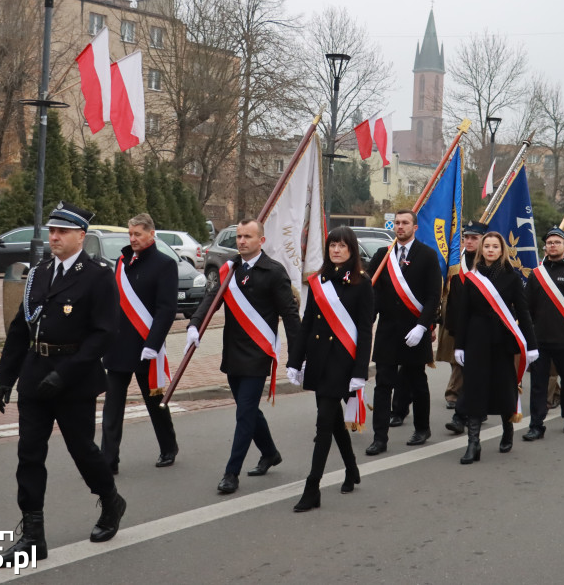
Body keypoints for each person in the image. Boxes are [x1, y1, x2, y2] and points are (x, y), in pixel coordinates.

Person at [0, 202, 125, 564]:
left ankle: (110, 500)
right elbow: (21, 327)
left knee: (82, 450)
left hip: (74, 379)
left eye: (62, 232)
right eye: (51, 231)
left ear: (80, 236)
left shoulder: (98, 275)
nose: (54, 237)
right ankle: (33, 536)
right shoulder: (38, 274)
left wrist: (65, 373)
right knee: (29, 455)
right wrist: (6, 378)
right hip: (35, 375)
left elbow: (104, 333)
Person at [187, 219, 301, 494]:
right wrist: (194, 324)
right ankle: (270, 452)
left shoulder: (273, 272)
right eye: (238, 236)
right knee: (247, 410)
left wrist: (297, 357)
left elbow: (290, 315)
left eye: (247, 236)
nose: (241, 241)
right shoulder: (229, 270)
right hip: (234, 351)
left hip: (258, 353)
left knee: (244, 414)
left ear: (261, 240)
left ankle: (231, 472)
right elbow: (210, 300)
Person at [286, 226, 373, 512]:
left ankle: (312, 487)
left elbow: (364, 331)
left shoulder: (362, 283)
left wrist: (361, 371)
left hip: (343, 363)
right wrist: (295, 361)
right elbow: (308, 323)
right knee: (333, 420)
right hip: (319, 361)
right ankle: (351, 468)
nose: (336, 250)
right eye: (332, 245)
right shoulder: (319, 281)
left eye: (342, 246)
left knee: (323, 423)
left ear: (352, 250)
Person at [100, 213, 179, 475]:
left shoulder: (165, 264)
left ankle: (169, 447)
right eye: (130, 234)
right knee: (113, 407)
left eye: (138, 234)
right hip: (119, 346)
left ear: (151, 234)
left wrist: (154, 343)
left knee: (155, 403)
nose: (132, 239)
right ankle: (108, 459)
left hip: (146, 348)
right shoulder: (122, 262)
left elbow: (166, 309)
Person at [452, 232, 538, 461]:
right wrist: (459, 345)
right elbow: (464, 314)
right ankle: (473, 444)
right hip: (476, 340)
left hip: (502, 340)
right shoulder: (472, 277)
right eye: (487, 246)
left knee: (503, 387)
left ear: (502, 251)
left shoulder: (512, 277)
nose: (490, 250)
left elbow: (523, 312)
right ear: (482, 250)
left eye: (495, 246)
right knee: (474, 390)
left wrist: (531, 345)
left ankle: (507, 430)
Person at [365, 209, 442, 455]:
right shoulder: (382, 255)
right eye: (397, 223)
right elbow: (372, 290)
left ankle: (422, 428)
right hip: (388, 330)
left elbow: (433, 296)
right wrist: (367, 319)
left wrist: (423, 325)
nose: (400, 227)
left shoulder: (427, 256)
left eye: (405, 223)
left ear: (415, 227)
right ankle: (380, 437)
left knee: (416, 381)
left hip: (414, 330)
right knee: (383, 384)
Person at [523, 226, 564, 439]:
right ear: (546, 247)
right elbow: (527, 308)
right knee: (538, 385)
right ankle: (536, 425)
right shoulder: (536, 275)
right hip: (540, 340)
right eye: (550, 242)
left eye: (557, 242)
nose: (553, 245)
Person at [441, 220, 487, 436]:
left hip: (481, 326)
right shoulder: (456, 263)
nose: (469, 241)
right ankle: (458, 399)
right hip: (457, 321)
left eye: (474, 238)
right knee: (458, 361)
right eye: (466, 237)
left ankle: (472, 408)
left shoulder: (487, 265)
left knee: (477, 369)